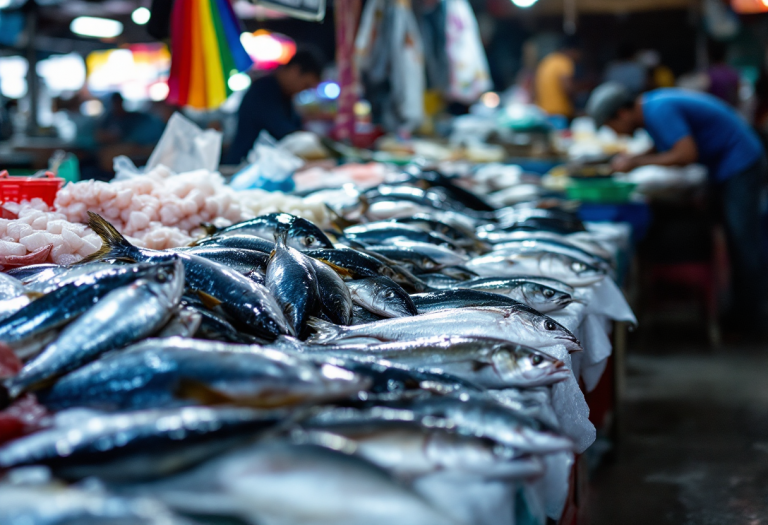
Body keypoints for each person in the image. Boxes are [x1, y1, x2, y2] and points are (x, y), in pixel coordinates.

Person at [587, 83, 767, 330]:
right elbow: (667, 145)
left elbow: (685, 154)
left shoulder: (659, 110)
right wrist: (634, 158)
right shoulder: (652, 107)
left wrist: (637, 162)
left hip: (740, 162)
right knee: (735, 239)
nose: (616, 134)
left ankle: (751, 321)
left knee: (743, 241)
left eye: (611, 126)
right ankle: (741, 311)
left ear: (621, 113)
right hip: (728, 165)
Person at [225, 49, 323, 165]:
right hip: (242, 166)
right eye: (305, 85)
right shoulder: (264, 90)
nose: (303, 90)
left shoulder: (285, 95)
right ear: (295, 70)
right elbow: (285, 132)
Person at [534, 37, 581, 119]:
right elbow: (567, 87)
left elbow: (534, 88)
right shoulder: (564, 62)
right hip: (559, 115)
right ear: (571, 50)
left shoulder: (546, 61)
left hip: (543, 114)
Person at [706, 40, 740, 107]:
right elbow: (737, 97)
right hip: (730, 110)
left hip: (713, 110)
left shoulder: (707, 75)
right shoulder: (733, 74)